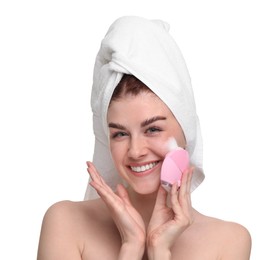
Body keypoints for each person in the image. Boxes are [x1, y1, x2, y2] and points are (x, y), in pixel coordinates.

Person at [37, 16, 251, 260]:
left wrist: (159, 250)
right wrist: (131, 247)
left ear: (185, 130)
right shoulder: (66, 223)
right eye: (120, 134)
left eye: (152, 129)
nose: (135, 151)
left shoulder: (228, 241)